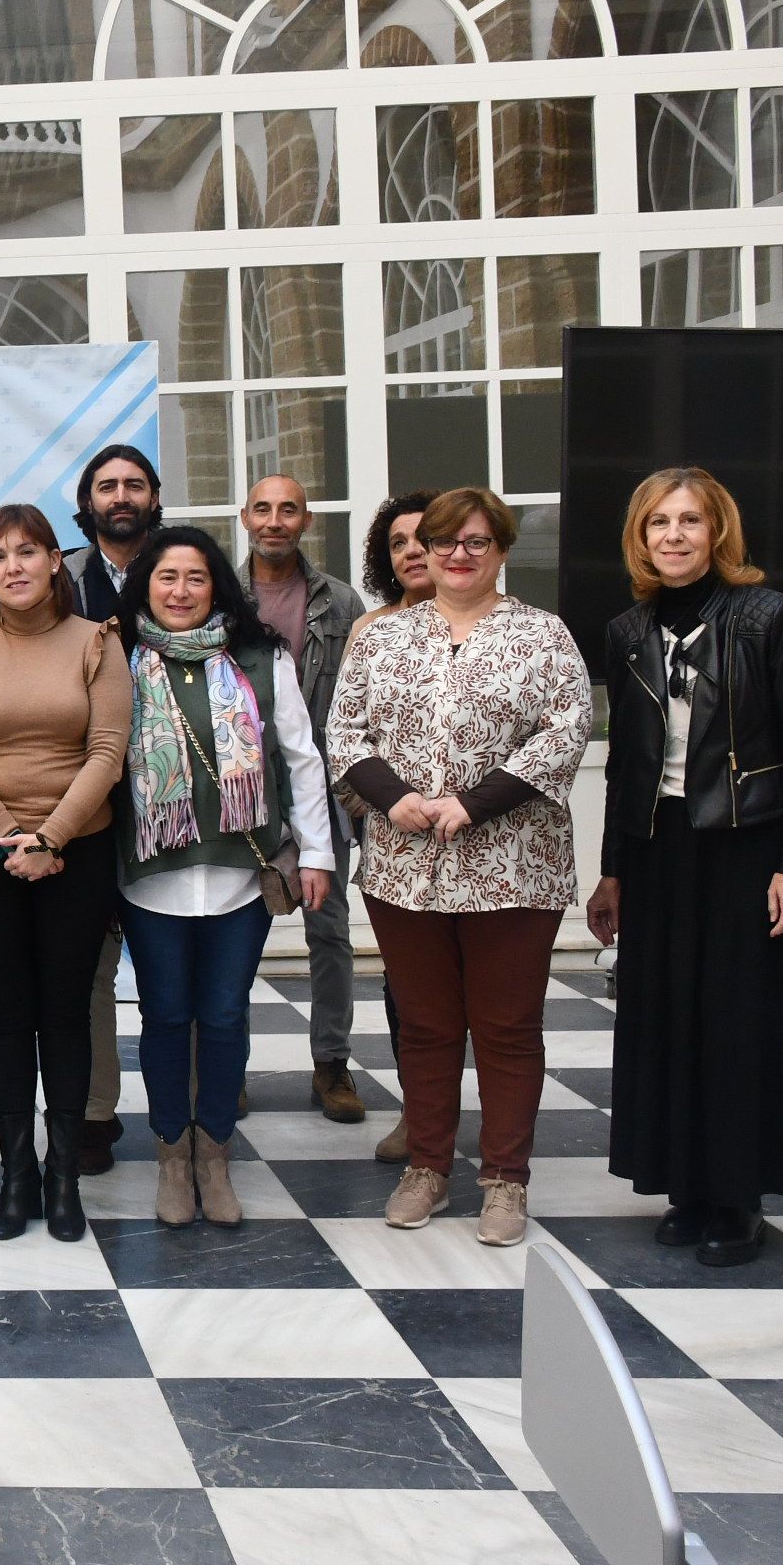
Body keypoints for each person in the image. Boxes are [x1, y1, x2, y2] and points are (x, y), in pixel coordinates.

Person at [328, 487, 590, 1249]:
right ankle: (428, 1168)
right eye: (444, 542)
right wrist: (397, 798)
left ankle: (506, 1180)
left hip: (514, 865)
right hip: (405, 866)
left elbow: (565, 733)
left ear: (501, 548)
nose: (457, 554)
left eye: (476, 541)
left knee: (507, 1028)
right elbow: (344, 731)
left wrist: (474, 804)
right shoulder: (383, 640)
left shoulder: (544, 637)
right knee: (429, 1028)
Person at [590, 469, 783, 1267]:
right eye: (659, 522)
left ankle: (738, 1195)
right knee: (666, 1018)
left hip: (746, 848)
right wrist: (612, 871)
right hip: (659, 851)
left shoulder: (768, 618)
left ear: (717, 532)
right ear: (641, 537)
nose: (675, 535)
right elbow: (626, 762)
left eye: (691, 520)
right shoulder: (629, 630)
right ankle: (687, 1186)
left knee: (737, 1022)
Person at [117, 530, 337, 1229]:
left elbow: (302, 761)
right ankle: (171, 1157)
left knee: (223, 1017)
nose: (179, 591)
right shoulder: (116, 660)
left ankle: (214, 1155)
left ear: (218, 587)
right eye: (166, 578)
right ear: (145, 586)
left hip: (243, 879)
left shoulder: (261, 657)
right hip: (152, 880)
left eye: (195, 578)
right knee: (164, 1019)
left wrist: (317, 857)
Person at [0, 504, 128, 1243]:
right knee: (8, 1016)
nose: (12, 567)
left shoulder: (96, 642)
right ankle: (17, 1175)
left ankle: (64, 1175)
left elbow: (108, 751)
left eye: (26, 552)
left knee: (66, 1014)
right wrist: (9, 835)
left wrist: (51, 836)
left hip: (77, 853)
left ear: (54, 561)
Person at [240, 474, 363, 1126]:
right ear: (244, 518)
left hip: (322, 790)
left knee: (330, 932)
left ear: (306, 520)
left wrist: (350, 791)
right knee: (236, 932)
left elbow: (358, 704)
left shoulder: (342, 604)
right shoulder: (218, 599)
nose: (275, 520)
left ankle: (332, 1065)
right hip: (241, 796)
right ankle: (228, 1066)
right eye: (263, 508)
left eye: (288, 509)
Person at [70, 443, 165, 1172]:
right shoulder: (63, 576)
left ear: (154, 498)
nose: (121, 496)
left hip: (172, 801)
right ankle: (95, 1115)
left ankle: (185, 1120)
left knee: (173, 976)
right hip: (88, 802)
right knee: (93, 970)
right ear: (89, 500)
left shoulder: (187, 569)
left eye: (135, 484)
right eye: (108, 486)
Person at [347, 490, 436, 1165]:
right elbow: (345, 734)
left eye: (425, 538)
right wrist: (374, 804)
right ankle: (420, 1112)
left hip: (482, 834)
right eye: (399, 541)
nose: (413, 550)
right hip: (394, 837)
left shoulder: (500, 627)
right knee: (406, 985)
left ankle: (467, 1112)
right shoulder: (370, 629)